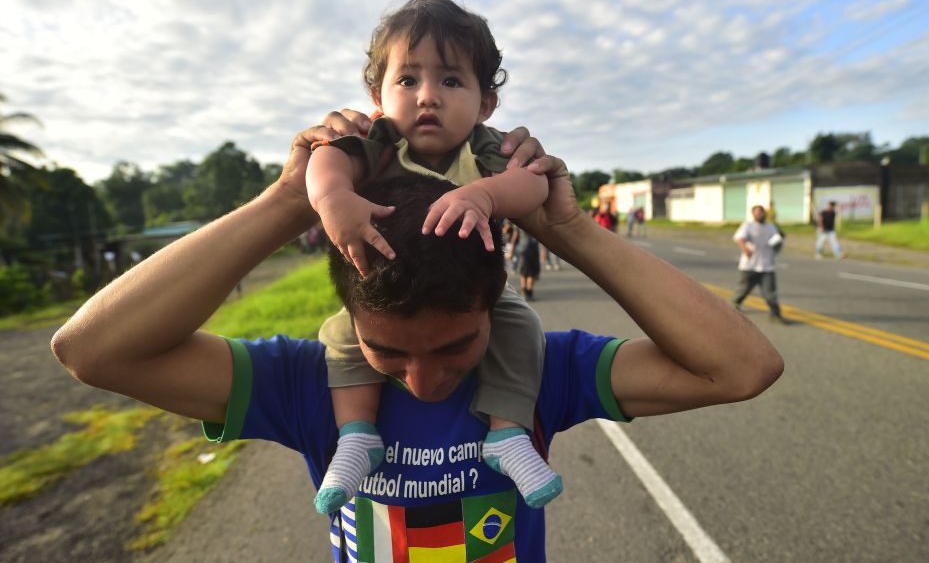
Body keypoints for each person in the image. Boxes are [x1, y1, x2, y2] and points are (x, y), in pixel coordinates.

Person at [51, 120, 783, 559]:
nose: (424, 381)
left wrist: (561, 227)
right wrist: (290, 197)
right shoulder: (311, 382)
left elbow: (741, 367)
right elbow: (92, 350)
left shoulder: (537, 368)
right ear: (346, 320)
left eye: (453, 349)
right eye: (386, 352)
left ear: (494, 306)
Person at [303, 0, 559, 514]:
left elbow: (533, 189)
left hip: (468, 294)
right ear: (377, 93)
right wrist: (333, 198)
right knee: (342, 337)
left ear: (485, 102)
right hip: (382, 292)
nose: (428, 98)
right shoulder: (376, 142)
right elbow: (326, 160)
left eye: (451, 81)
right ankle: (357, 435)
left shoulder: (486, 150)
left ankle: (509, 433)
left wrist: (486, 193)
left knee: (519, 327)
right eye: (408, 80)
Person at [732, 205, 788, 323]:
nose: (759, 215)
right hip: (749, 265)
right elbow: (740, 238)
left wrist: (779, 240)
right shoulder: (748, 225)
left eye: (761, 212)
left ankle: (775, 314)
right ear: (753, 214)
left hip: (767, 265)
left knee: (770, 293)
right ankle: (734, 306)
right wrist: (745, 249)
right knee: (744, 289)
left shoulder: (771, 227)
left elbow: (776, 241)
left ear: (765, 214)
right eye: (757, 213)